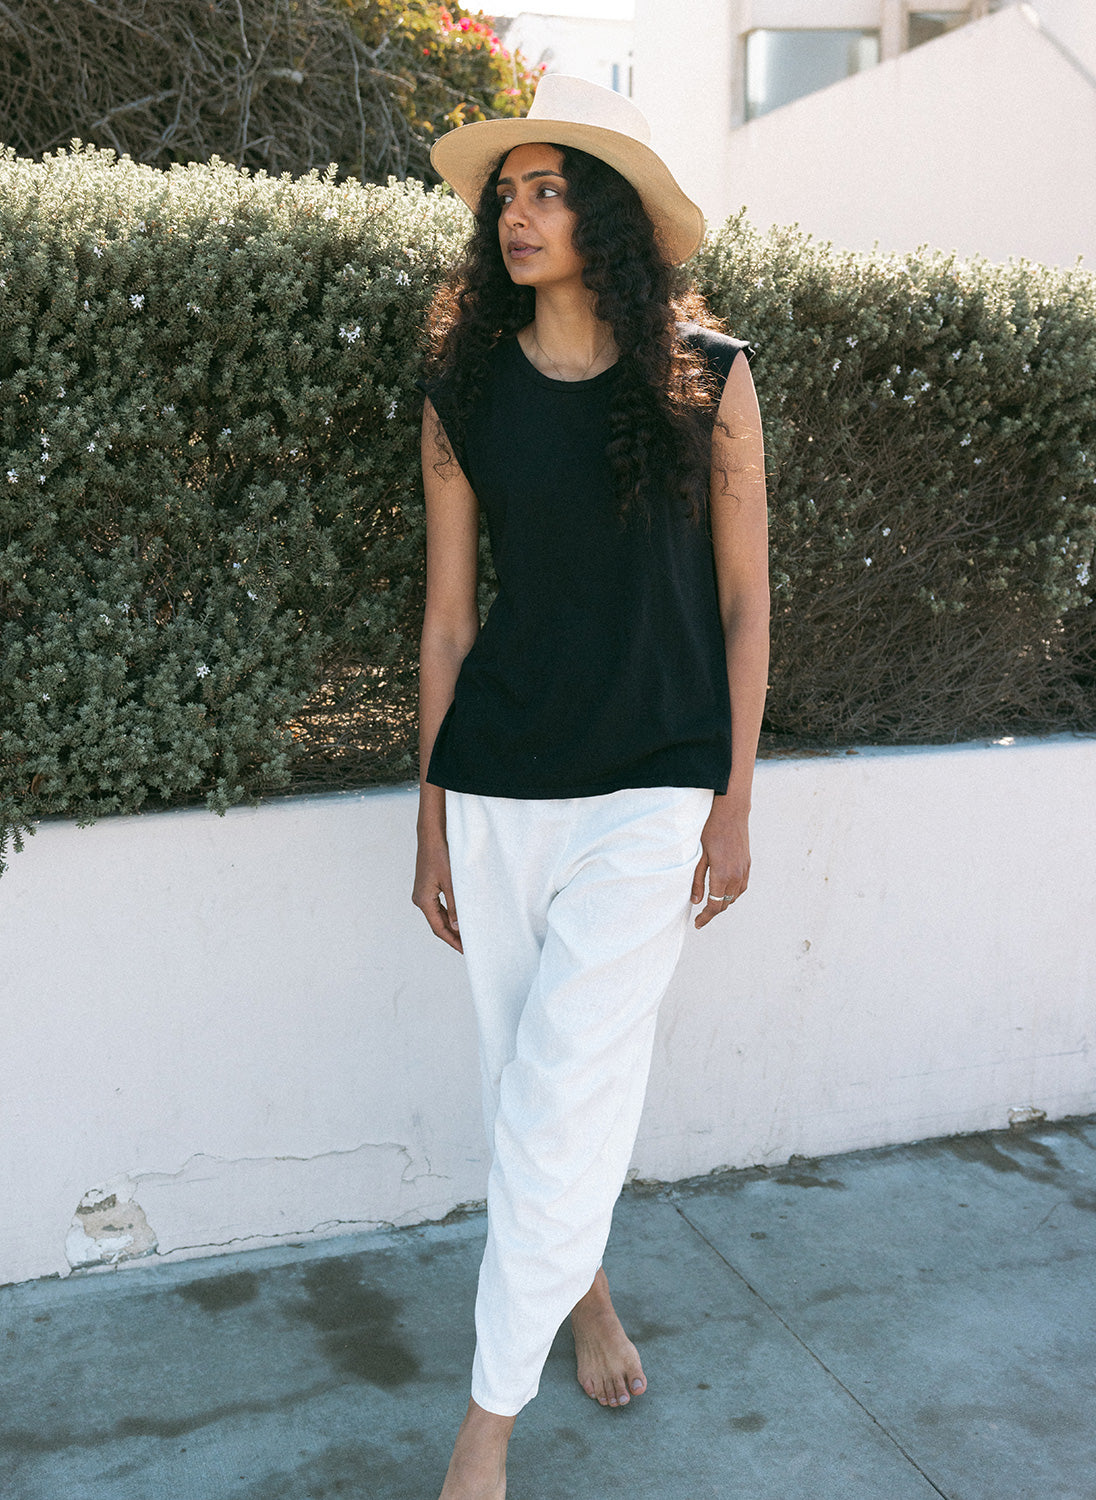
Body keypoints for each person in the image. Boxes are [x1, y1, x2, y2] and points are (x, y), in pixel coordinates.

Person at [410, 75, 770, 1500]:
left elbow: (747, 605)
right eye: (509, 191)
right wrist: (429, 812)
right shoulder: (463, 391)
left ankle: (484, 1433)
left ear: (609, 217)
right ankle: (588, 1291)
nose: (519, 211)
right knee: (528, 1086)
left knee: (561, 1087)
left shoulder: (711, 372)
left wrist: (735, 797)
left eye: (550, 190)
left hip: (654, 779)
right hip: (500, 778)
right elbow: (445, 621)